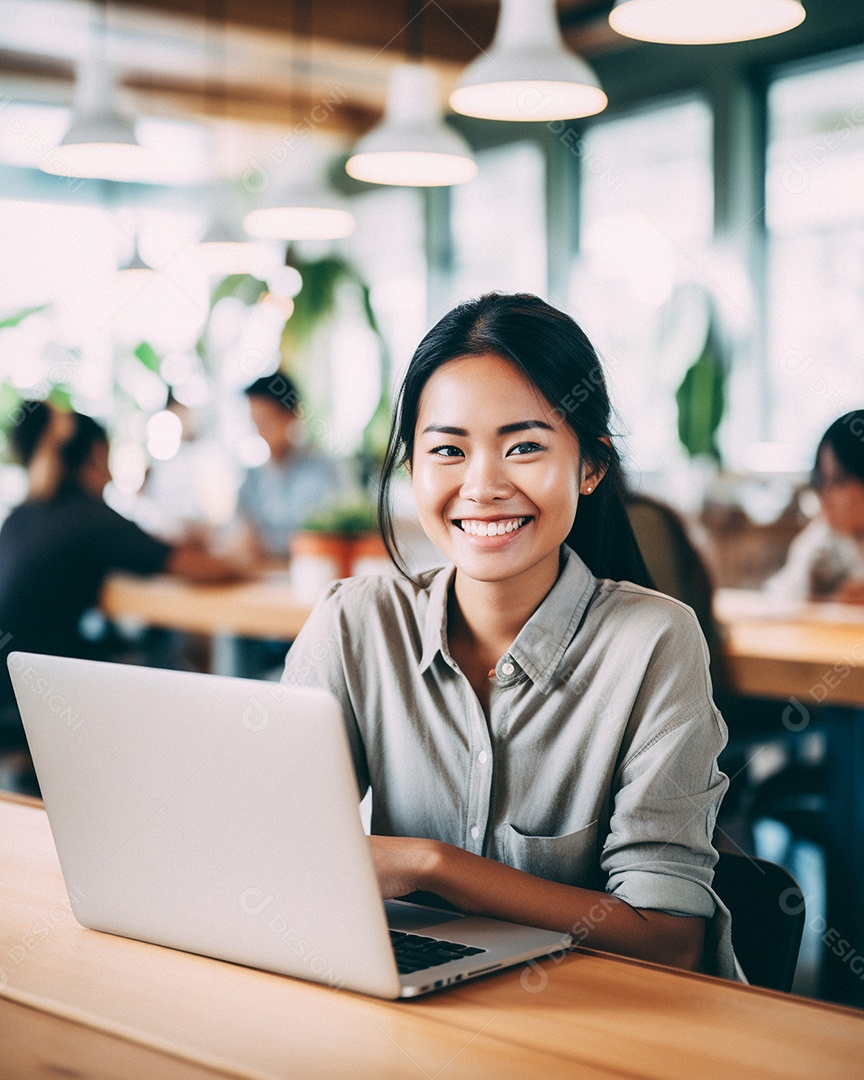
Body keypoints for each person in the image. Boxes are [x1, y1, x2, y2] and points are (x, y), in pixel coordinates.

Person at [283, 293, 738, 980]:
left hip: (598, 1021)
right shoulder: (354, 621)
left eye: (524, 446)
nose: (483, 484)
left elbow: (670, 941)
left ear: (591, 466)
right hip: (407, 1008)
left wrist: (433, 867)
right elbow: (279, 850)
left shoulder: (654, 642)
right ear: (413, 468)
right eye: (448, 450)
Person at [0, 403, 242, 791]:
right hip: (35, 693)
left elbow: (138, 549)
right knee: (175, 665)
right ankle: (199, 786)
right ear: (97, 453)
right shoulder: (90, 515)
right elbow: (200, 569)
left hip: (12, 685)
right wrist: (240, 561)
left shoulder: (22, 515)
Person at [233, 374, 348, 562]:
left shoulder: (324, 471)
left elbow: (329, 538)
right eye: (254, 423)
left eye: (265, 422)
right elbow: (240, 536)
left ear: (292, 415)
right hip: (263, 581)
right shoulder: (251, 477)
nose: (260, 433)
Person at [765, 410, 864, 602]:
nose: (825, 496)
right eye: (821, 482)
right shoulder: (821, 540)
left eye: (839, 482)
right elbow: (778, 595)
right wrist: (811, 588)